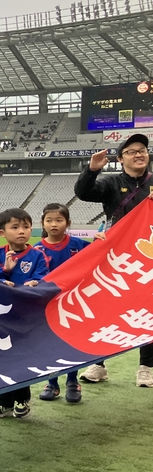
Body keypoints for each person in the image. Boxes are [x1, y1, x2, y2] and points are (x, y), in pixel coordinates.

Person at [74, 134, 153, 386]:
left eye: (142, 150)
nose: (138, 154)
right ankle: (98, 364)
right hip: (117, 257)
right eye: (131, 151)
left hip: (148, 256)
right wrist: (92, 170)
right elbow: (83, 193)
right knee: (106, 307)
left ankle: (146, 367)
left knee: (149, 310)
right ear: (120, 159)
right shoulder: (111, 183)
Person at [0, 208, 49, 420]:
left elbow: (44, 276)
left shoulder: (37, 255)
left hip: (24, 316)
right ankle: (3, 403)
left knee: (20, 358)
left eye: (26, 227)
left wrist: (34, 283)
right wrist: (5, 273)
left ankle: (22, 400)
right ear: (2, 232)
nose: (21, 231)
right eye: (15, 227)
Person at [34, 203, 90, 404]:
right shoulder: (37, 249)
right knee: (51, 344)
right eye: (49, 220)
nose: (54, 224)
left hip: (74, 303)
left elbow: (101, 251)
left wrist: (103, 239)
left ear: (68, 222)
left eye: (59, 220)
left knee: (71, 343)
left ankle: (73, 381)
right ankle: (52, 382)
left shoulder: (78, 244)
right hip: (48, 305)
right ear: (43, 223)